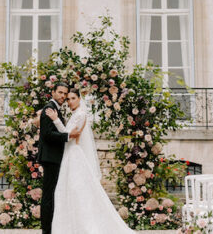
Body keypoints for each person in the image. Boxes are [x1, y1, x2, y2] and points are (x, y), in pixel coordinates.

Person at [45, 88, 138, 234]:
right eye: (68, 99)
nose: (70, 101)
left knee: (76, 190)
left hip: (74, 155)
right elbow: (67, 134)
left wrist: (55, 120)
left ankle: (82, 226)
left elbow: (67, 135)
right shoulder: (75, 114)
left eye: (73, 98)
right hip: (69, 154)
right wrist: (58, 121)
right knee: (68, 190)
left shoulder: (81, 114)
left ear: (79, 99)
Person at [37, 82, 78, 234]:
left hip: (53, 157)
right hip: (50, 158)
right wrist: (67, 135)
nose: (62, 96)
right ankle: (46, 231)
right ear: (53, 92)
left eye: (65, 94)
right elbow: (47, 135)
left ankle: (50, 229)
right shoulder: (49, 108)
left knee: (52, 194)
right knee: (48, 195)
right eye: (60, 92)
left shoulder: (55, 108)